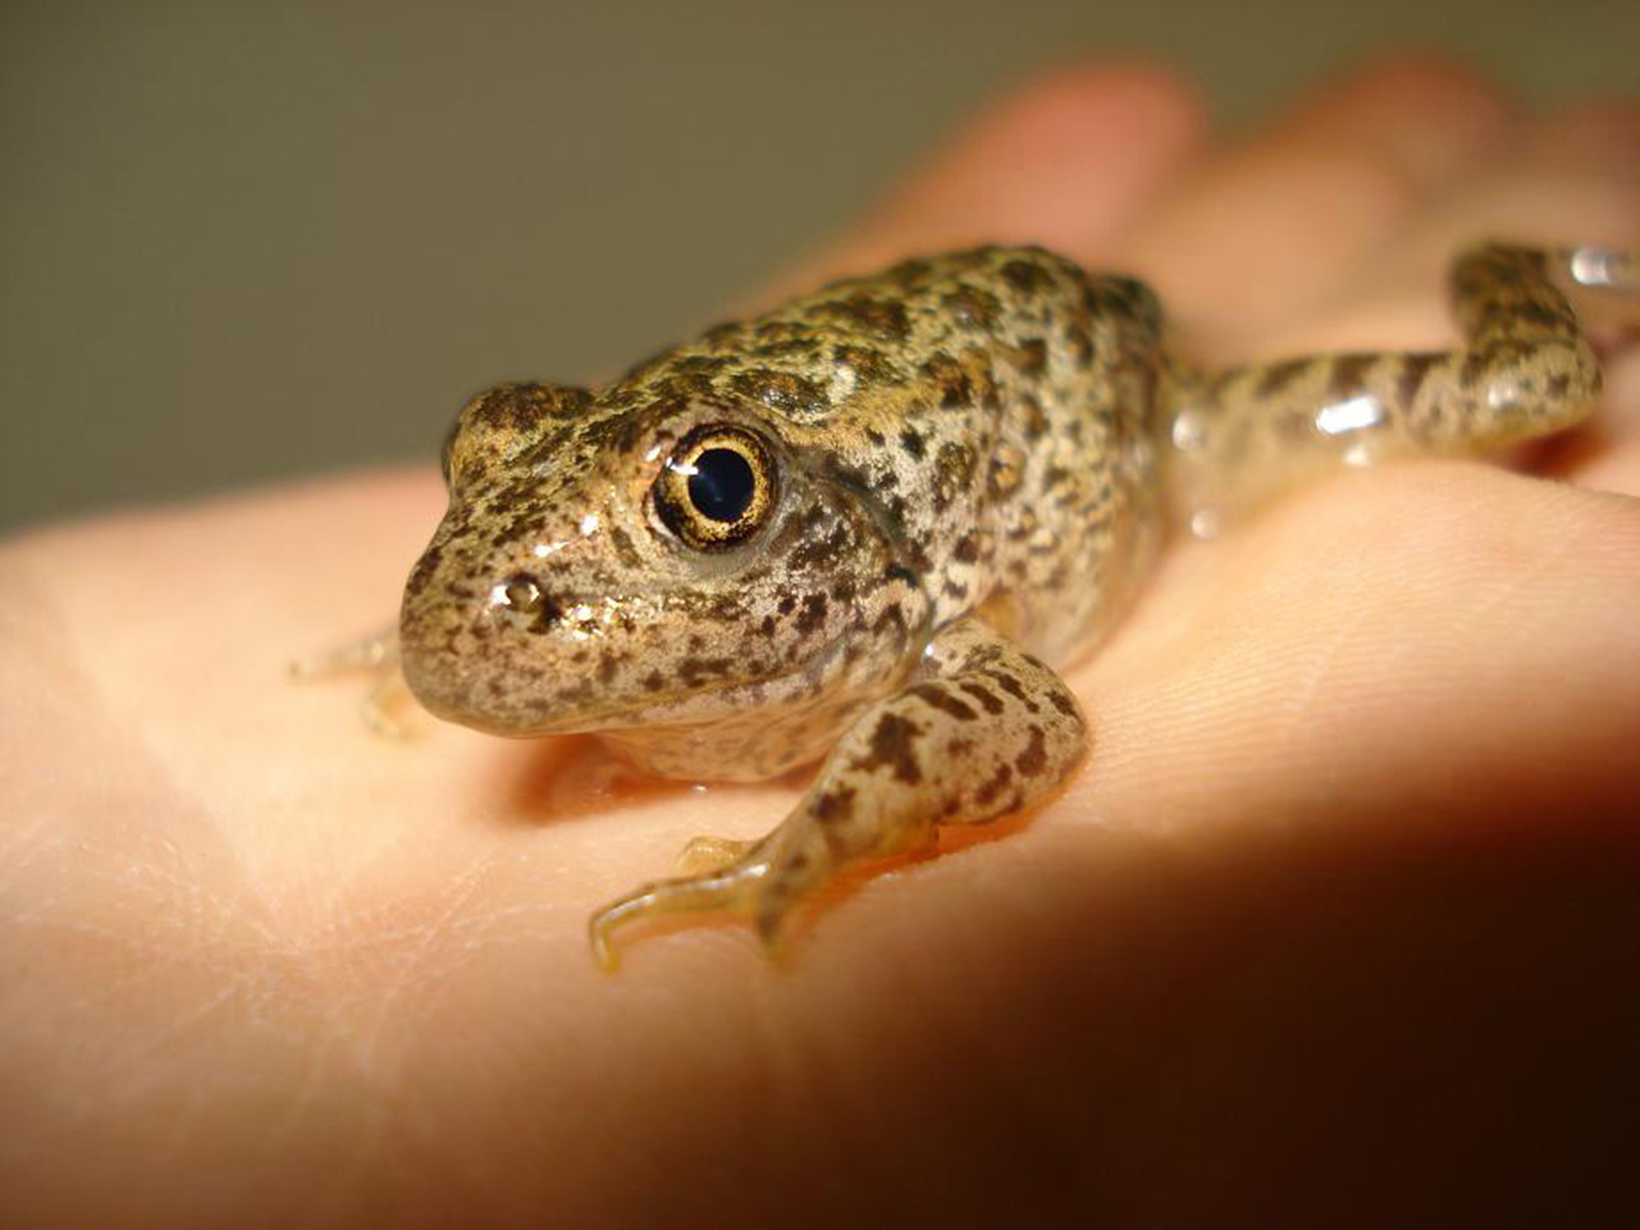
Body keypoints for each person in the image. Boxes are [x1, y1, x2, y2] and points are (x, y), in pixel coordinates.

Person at [3, 56, 1637, 1224]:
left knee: (1528, 395)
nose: (497, 588)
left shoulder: (895, 588)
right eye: (481, 474)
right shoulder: (569, 563)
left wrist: (826, 831)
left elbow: (1021, 706)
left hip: (1163, 406)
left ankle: (1517, 267)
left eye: (705, 499)